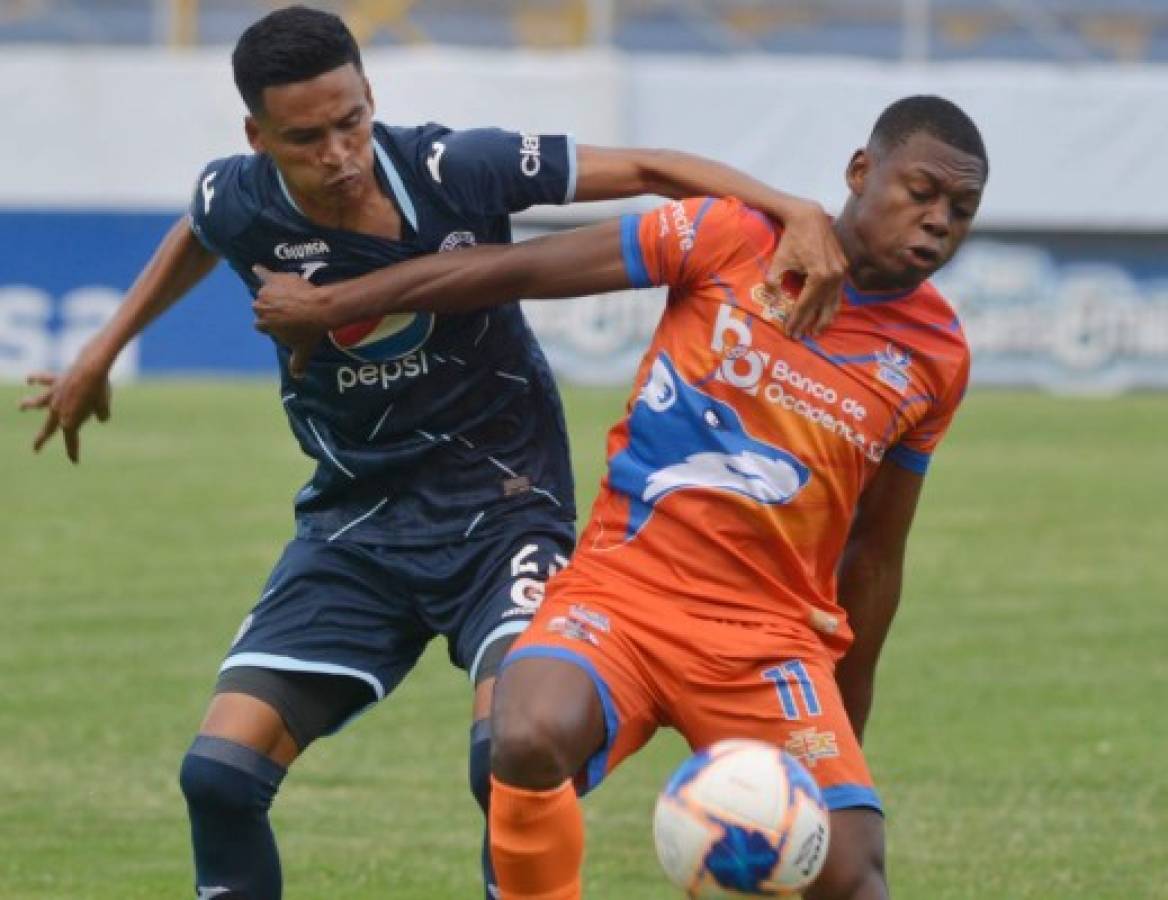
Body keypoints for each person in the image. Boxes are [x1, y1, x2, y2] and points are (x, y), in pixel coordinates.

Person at [17, 6, 850, 899]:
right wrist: (101, 352)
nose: (339, 152)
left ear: (371, 95)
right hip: (355, 521)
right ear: (257, 137)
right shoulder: (241, 195)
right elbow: (200, 224)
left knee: (505, 758)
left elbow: (649, 169)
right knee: (218, 777)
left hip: (505, 507)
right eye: (306, 139)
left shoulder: (457, 168)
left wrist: (790, 206)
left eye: (352, 122)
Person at [250, 94, 988, 899]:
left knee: (852, 878)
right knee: (523, 739)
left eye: (962, 208)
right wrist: (335, 305)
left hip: (769, 640)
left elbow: (878, 551)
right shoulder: (731, 239)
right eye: (922, 193)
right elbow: (515, 270)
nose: (939, 221)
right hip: (623, 596)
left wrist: (846, 719)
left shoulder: (937, 356)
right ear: (860, 170)